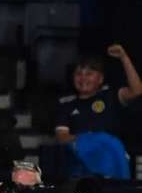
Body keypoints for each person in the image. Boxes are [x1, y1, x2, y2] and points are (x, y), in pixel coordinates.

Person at [54, 46, 142, 178]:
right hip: (80, 167)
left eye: (89, 74)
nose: (83, 78)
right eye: (79, 74)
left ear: (100, 79)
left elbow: (136, 90)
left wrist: (124, 57)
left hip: (112, 164)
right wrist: (91, 139)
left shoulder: (109, 95)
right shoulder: (66, 103)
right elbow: (62, 137)